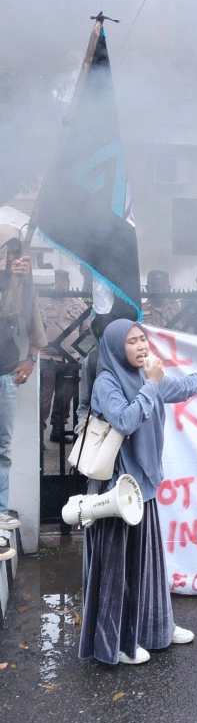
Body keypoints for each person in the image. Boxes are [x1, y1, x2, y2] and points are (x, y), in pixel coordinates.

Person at [78, 319, 197, 665]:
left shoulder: (144, 377)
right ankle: (116, 643)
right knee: (118, 569)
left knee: (146, 565)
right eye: (132, 342)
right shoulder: (107, 381)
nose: (142, 346)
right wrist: (151, 384)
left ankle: (154, 628)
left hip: (141, 486)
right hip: (115, 489)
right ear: (117, 347)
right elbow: (125, 420)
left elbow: (182, 387)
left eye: (143, 339)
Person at [0, 224, 47, 537]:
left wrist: (31, 359)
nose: (13, 256)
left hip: (5, 375)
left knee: (2, 447)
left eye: (18, 250)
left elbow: (33, 321)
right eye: (8, 249)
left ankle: (0, 512)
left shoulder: (22, 282)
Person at [39, 269, 88, 443]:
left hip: (70, 358)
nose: (60, 285)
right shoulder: (41, 302)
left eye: (63, 282)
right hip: (46, 357)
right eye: (57, 281)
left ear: (68, 283)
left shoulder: (79, 305)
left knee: (65, 398)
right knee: (44, 398)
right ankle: (39, 434)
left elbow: (83, 330)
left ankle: (58, 430)